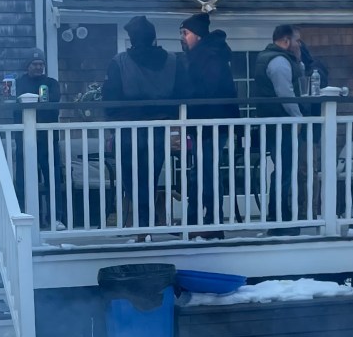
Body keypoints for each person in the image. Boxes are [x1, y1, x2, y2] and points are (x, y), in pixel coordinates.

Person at [102, 16, 189, 229]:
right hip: (159, 128)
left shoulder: (119, 62)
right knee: (151, 176)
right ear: (152, 37)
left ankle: (143, 223)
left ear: (132, 38)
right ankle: (147, 222)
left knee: (131, 178)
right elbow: (181, 94)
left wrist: (112, 124)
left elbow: (110, 97)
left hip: (127, 128)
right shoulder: (173, 61)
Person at [180, 12, 239, 236]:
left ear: (198, 35)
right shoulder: (206, 55)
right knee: (202, 171)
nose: (183, 38)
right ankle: (198, 220)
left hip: (210, 123)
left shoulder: (209, 57)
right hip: (204, 124)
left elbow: (209, 90)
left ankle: (211, 221)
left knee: (207, 172)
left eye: (186, 33)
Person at [253, 24, 304, 234]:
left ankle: (278, 214)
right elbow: (286, 94)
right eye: (297, 41)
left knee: (282, 168)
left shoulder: (272, 58)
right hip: (281, 124)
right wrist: (298, 118)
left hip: (273, 123)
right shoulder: (279, 62)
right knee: (284, 170)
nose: (299, 44)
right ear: (286, 41)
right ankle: (279, 217)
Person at [13, 48, 67, 228]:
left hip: (48, 139)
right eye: (34, 64)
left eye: (41, 64)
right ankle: (24, 217)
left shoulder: (51, 83)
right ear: (27, 66)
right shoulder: (18, 84)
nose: (38, 67)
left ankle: (55, 218)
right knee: (23, 180)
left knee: (53, 179)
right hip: (24, 140)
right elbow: (13, 105)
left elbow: (53, 103)